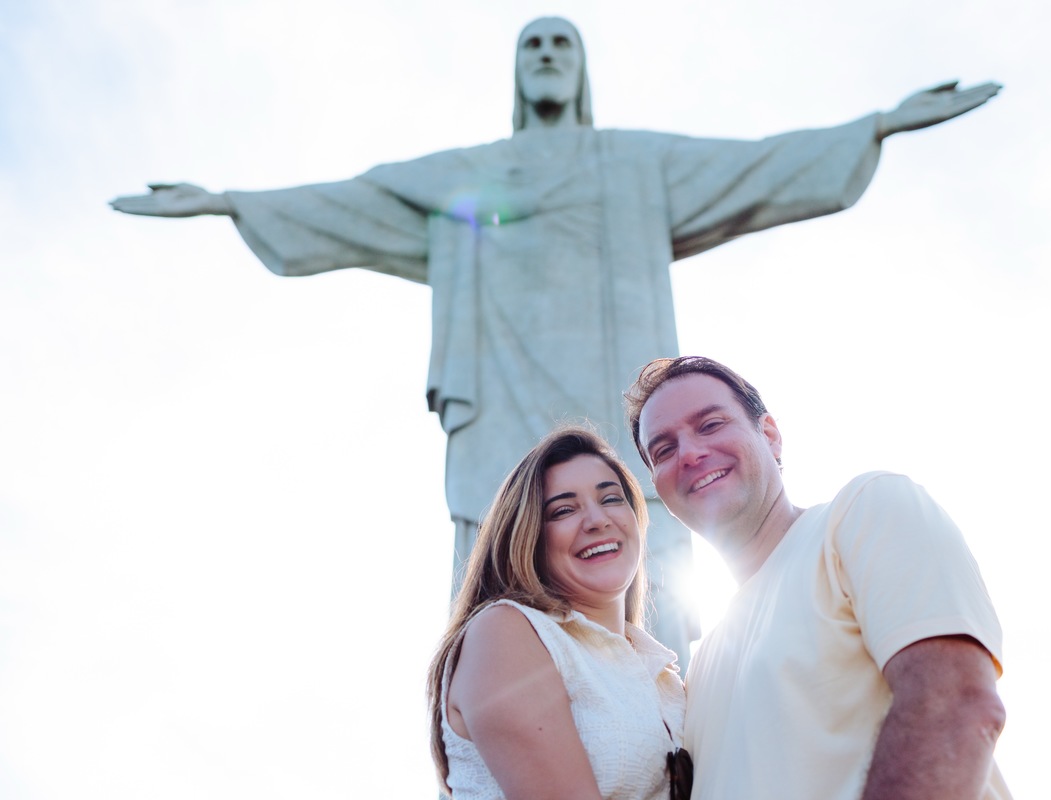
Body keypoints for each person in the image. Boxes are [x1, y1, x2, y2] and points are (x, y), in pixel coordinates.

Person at [110, 15, 1001, 665]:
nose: (544, 57)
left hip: (616, 403)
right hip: (503, 411)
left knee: (652, 606)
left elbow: (753, 165)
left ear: (578, 71)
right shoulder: (467, 176)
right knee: (503, 584)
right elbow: (356, 201)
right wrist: (231, 203)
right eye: (530, 44)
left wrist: (872, 127)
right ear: (516, 72)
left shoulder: (632, 162)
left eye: (559, 45)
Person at [625, 356, 1011, 800]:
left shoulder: (866, 511)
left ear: (769, 435)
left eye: (710, 425)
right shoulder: (702, 666)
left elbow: (956, 706)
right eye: (664, 449)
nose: (690, 453)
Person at [426, 425, 688, 800]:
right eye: (564, 510)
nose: (597, 520)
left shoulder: (663, 674)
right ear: (530, 536)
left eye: (611, 498)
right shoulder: (505, 632)